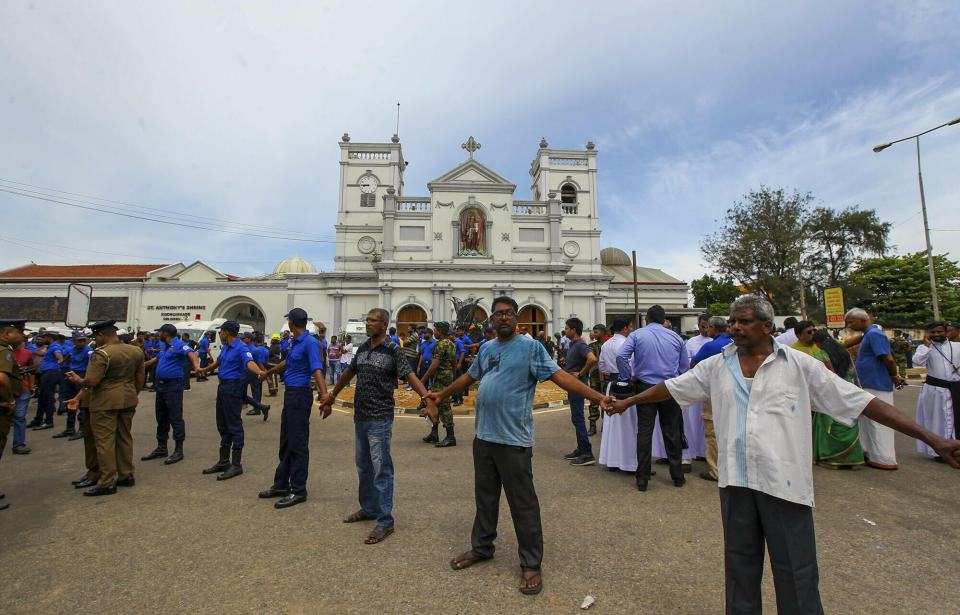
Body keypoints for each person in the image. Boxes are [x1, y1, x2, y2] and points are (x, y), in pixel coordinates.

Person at [608, 294, 960, 614]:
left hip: (785, 486)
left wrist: (932, 438)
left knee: (796, 574)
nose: (734, 327)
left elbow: (863, 402)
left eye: (744, 321)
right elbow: (671, 388)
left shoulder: (799, 366)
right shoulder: (717, 366)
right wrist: (628, 401)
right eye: (732, 321)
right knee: (740, 570)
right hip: (736, 484)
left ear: (766, 326)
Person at [425, 296, 614, 596]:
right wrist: (441, 396)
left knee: (522, 504)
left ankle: (531, 563)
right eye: (497, 314)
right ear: (491, 320)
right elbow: (468, 378)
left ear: (517, 318)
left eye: (508, 314)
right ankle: (482, 547)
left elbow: (561, 377)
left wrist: (596, 397)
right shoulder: (486, 349)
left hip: (513, 440)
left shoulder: (531, 348)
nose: (502, 318)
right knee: (485, 498)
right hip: (484, 437)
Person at [320, 308, 430, 545]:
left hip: (380, 417)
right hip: (360, 416)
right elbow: (349, 372)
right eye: (367, 320)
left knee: (382, 468)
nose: (368, 323)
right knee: (364, 467)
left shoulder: (392, 349)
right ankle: (368, 508)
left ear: (384, 324)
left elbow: (409, 374)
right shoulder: (363, 348)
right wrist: (332, 395)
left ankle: (385, 520)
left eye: (372, 321)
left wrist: (426, 398)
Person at [65, 320, 145, 496]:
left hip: (105, 401)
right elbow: (140, 377)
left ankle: (107, 481)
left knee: (104, 441)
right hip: (128, 398)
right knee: (124, 437)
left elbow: (92, 381)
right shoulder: (135, 351)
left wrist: (78, 380)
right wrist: (133, 393)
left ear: (101, 335)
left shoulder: (101, 354)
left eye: (95, 336)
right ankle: (126, 474)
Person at [259, 308, 328, 509]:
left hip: (299, 395)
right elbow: (286, 363)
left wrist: (325, 396)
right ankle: (281, 484)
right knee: (286, 441)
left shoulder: (310, 343)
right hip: (291, 395)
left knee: (297, 443)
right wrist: (267, 373)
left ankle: (298, 489)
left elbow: (317, 369)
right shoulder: (296, 343)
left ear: (291, 323)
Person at [617, 305, 689, 491]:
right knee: (671, 431)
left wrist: (628, 376)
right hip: (669, 387)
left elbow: (621, 356)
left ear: (647, 318)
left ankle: (642, 478)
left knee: (645, 432)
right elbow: (684, 367)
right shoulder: (676, 337)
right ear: (664, 319)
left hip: (645, 387)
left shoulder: (637, 335)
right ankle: (677, 475)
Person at [196, 321, 266, 481]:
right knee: (222, 423)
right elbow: (218, 362)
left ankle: (236, 464)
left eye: (222, 331)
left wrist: (260, 372)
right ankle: (223, 461)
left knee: (234, 424)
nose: (220, 334)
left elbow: (249, 363)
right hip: (222, 388)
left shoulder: (241, 348)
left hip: (233, 387)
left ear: (227, 332)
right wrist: (204, 370)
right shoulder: (227, 347)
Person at [844, 308, 904, 470]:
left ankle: (884, 458)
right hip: (867, 384)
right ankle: (869, 454)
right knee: (867, 421)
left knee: (880, 421)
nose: (849, 326)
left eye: (852, 322)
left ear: (863, 320)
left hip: (877, 383)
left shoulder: (875, 334)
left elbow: (888, 359)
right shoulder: (868, 334)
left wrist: (893, 375)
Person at [654, 314, 711, 472]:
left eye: (708, 326)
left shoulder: (678, 341)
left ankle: (702, 453)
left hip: (701, 384)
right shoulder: (691, 342)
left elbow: (684, 364)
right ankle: (683, 453)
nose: (705, 329)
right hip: (676, 385)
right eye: (702, 326)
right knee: (688, 422)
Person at [140, 323, 200, 465]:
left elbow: (191, 353)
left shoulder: (179, 344)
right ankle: (162, 447)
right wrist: (140, 366)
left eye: (160, 332)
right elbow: (157, 359)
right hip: (160, 386)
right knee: (161, 416)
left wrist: (196, 367)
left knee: (175, 417)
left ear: (165, 333)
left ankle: (178, 450)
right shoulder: (165, 346)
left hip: (173, 385)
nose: (158, 335)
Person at [811, 329, 865, 469]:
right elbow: (853, 372)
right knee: (848, 422)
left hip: (830, 390)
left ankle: (831, 458)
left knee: (826, 423)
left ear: (817, 343)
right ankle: (852, 459)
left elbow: (819, 378)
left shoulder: (820, 355)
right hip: (846, 387)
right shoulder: (844, 353)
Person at [691, 316, 733, 481]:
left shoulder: (710, 346)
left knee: (712, 431)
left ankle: (716, 471)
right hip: (734, 391)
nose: (707, 330)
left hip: (714, 391)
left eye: (708, 327)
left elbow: (693, 364)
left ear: (714, 329)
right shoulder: (734, 343)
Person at [913, 321, 960, 459]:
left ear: (946, 332)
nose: (936, 334)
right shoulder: (925, 348)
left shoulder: (956, 346)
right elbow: (917, 361)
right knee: (936, 421)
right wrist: (926, 345)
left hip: (955, 389)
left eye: (939, 331)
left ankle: (955, 447)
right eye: (933, 332)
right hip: (935, 391)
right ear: (928, 334)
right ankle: (938, 450)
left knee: (954, 420)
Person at [597, 316, 636, 472]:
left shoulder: (606, 345)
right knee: (629, 425)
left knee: (611, 425)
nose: (632, 330)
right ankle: (629, 463)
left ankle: (612, 460)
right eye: (631, 327)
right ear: (625, 328)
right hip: (626, 385)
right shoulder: (627, 344)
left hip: (612, 384)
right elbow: (633, 365)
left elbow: (602, 366)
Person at [559, 317, 598, 466]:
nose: (565, 330)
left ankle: (587, 453)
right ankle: (581, 448)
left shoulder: (581, 344)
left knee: (578, 418)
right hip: (572, 385)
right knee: (576, 418)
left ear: (574, 330)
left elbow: (592, 359)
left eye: (567, 328)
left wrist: (580, 374)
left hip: (578, 385)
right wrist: (566, 362)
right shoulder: (573, 344)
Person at [0, 319, 28, 510]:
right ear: (7, 334)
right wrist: (10, 400)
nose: (23, 336)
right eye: (19, 332)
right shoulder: (4, 351)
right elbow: (2, 378)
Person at [419, 321, 458, 447]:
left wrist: (423, 380)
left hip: (441, 379)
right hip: (447, 378)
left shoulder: (440, 344)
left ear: (440, 331)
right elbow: (454, 364)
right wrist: (452, 377)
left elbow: (434, 365)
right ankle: (434, 433)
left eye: (435, 330)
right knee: (434, 404)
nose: (434, 332)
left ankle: (450, 437)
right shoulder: (451, 344)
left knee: (444, 406)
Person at [54, 332, 93, 439]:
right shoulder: (72, 350)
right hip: (72, 375)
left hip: (82, 375)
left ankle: (82, 429)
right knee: (70, 401)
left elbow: (91, 364)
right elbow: (66, 361)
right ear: (73, 341)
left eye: (83, 340)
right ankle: (69, 428)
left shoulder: (88, 351)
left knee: (81, 403)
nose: (82, 342)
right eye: (79, 340)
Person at [30, 330, 63, 430]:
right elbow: (41, 354)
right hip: (47, 373)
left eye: (44, 337)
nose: (42, 339)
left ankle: (48, 421)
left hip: (50, 373)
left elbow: (58, 354)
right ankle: (38, 419)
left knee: (48, 397)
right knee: (42, 397)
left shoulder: (55, 346)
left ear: (49, 338)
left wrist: (60, 359)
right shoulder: (50, 346)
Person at [10, 335, 34, 453]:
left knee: (19, 417)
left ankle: (19, 444)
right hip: (4, 390)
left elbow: (31, 371)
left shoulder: (27, 353)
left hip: (22, 390)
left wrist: (31, 387)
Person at [586, 324, 606, 436]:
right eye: (594, 332)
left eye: (596, 332)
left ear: (603, 332)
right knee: (593, 401)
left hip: (606, 378)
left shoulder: (608, 344)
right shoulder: (591, 346)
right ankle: (592, 425)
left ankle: (605, 425)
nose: (594, 334)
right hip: (594, 377)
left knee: (606, 400)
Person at [244, 333, 271, 417]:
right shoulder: (247, 348)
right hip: (248, 372)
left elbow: (260, 364)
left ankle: (257, 408)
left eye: (244, 338)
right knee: (253, 391)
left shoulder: (254, 350)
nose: (242, 340)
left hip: (253, 373)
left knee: (256, 391)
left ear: (249, 339)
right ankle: (259, 407)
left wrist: (266, 377)